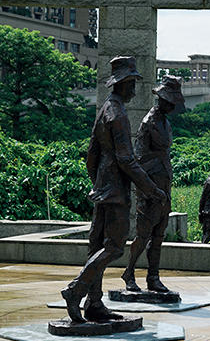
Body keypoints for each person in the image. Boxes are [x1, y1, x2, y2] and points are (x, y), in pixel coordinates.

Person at [60, 56, 166, 323]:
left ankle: (94, 303)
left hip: (103, 188)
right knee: (115, 246)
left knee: (97, 244)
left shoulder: (105, 108)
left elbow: (91, 155)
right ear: (123, 84)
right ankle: (76, 290)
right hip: (115, 191)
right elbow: (126, 158)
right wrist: (151, 189)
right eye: (132, 83)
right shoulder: (117, 113)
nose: (134, 89)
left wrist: (98, 183)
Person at [121, 76, 184, 293]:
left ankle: (153, 277)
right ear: (162, 99)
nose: (172, 106)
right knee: (143, 234)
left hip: (164, 184)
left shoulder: (165, 122)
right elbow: (137, 160)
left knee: (159, 234)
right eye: (170, 101)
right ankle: (129, 272)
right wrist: (149, 189)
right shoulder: (148, 123)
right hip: (150, 188)